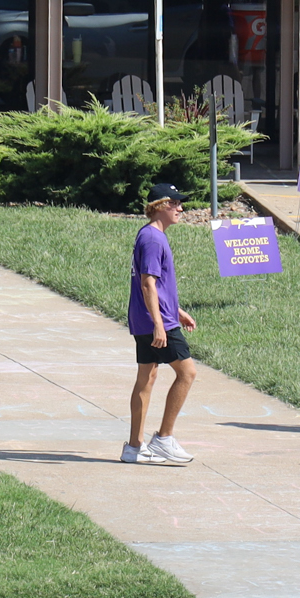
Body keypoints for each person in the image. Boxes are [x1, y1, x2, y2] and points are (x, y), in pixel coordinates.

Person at [122, 183, 198, 466]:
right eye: (176, 203)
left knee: (147, 378)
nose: (181, 209)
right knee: (187, 373)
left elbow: (156, 285)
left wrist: (176, 310)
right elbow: (147, 283)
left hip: (150, 319)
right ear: (160, 206)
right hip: (156, 322)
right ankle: (164, 439)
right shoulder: (153, 239)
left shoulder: (149, 236)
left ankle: (134, 447)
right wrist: (160, 324)